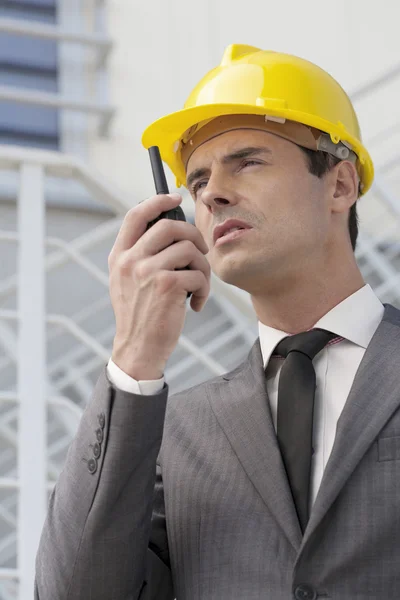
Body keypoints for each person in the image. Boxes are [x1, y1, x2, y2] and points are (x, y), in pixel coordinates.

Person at [35, 44, 400, 600]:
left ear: (340, 185)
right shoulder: (176, 433)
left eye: (247, 161)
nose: (214, 194)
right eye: (198, 182)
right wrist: (135, 356)